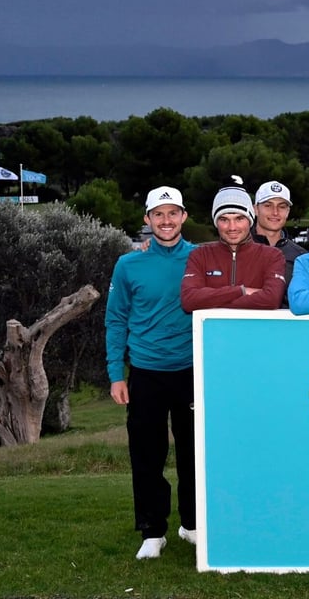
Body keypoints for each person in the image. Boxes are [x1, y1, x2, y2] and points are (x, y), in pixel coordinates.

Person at [104, 186, 197, 560]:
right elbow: (116, 319)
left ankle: (192, 525)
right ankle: (152, 531)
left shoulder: (201, 258)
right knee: (147, 455)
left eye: (173, 213)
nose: (166, 220)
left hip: (193, 370)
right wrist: (116, 373)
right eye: (158, 214)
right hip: (145, 372)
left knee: (194, 453)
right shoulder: (128, 264)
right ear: (147, 219)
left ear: (184, 217)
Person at [181, 181, 287, 311]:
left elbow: (271, 300)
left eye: (239, 219)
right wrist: (241, 291)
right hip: (212, 332)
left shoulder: (272, 255)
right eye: (224, 219)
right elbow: (189, 301)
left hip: (256, 331)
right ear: (216, 222)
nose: (232, 227)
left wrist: (210, 300)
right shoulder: (200, 255)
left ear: (250, 220)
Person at [251, 180, 307, 306]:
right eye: (268, 205)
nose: (275, 212)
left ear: (287, 212)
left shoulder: (301, 257)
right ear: (255, 209)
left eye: (281, 206)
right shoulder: (238, 249)